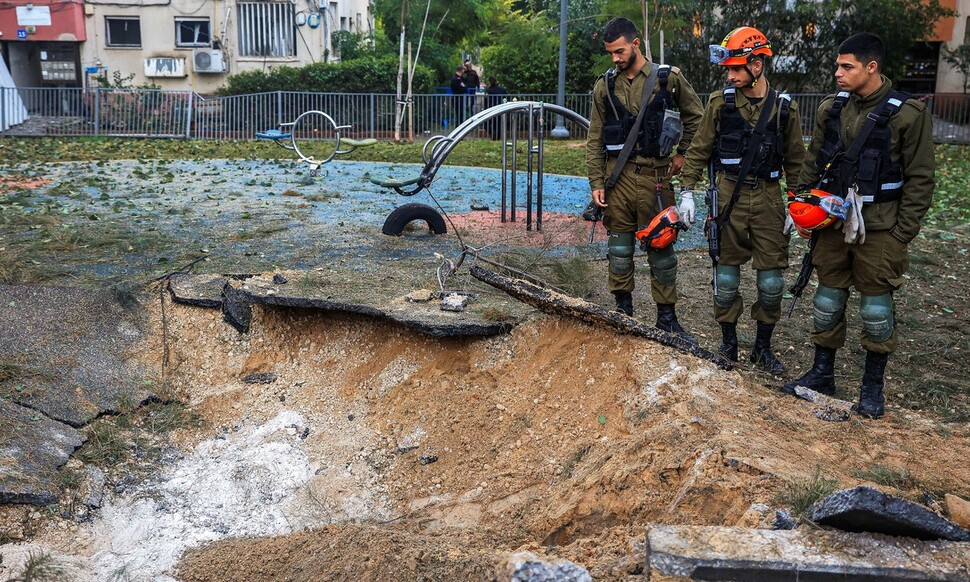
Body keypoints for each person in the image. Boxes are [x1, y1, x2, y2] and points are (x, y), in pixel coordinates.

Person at [783, 32, 935, 419]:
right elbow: (814, 159)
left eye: (846, 66)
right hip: (832, 223)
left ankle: (872, 385)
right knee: (827, 299)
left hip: (881, 227)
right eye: (837, 65)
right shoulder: (831, 109)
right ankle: (822, 373)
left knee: (876, 309)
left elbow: (920, 179)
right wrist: (799, 203)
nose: (838, 73)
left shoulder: (907, 114)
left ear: (872, 67)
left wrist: (903, 234)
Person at [678, 27, 805, 374]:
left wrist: (798, 202)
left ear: (758, 64)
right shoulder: (720, 103)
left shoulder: (783, 109)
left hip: (769, 199)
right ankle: (729, 343)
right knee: (726, 279)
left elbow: (797, 160)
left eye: (737, 68)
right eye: (728, 70)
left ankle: (762, 347)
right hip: (728, 194)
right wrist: (686, 191)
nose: (731, 75)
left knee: (772, 283)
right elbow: (699, 149)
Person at [586, 17, 703, 337]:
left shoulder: (669, 80)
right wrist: (596, 182)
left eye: (620, 51)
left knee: (662, 248)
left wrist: (683, 154)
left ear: (636, 44)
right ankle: (623, 313)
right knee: (620, 251)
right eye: (610, 53)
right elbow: (595, 138)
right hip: (617, 180)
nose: (615, 58)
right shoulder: (604, 86)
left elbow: (698, 120)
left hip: (656, 179)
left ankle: (667, 318)